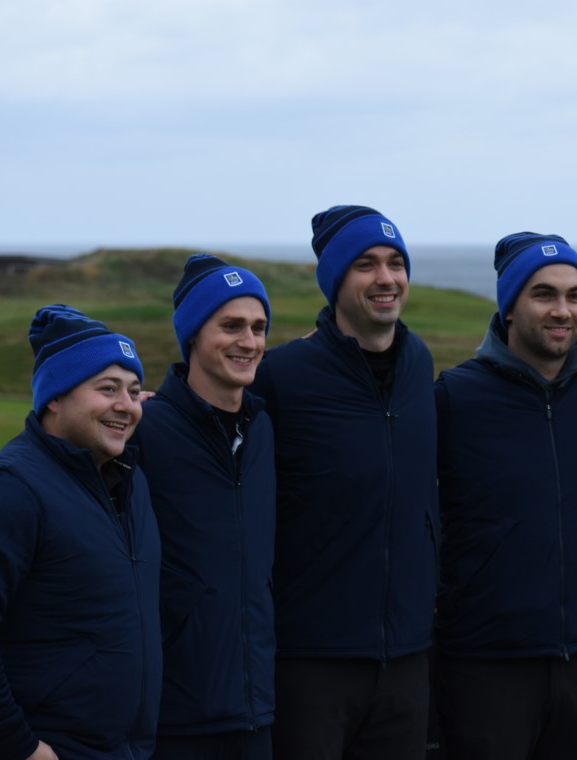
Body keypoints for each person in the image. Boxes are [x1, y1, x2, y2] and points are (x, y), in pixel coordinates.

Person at [433, 232, 577, 759]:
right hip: (483, 663)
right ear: (509, 306)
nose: (563, 310)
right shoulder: (455, 396)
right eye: (544, 294)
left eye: (575, 296)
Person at [0, 304, 161, 760]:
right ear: (55, 397)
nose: (126, 405)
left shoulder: (128, 484)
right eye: (107, 388)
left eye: (134, 392)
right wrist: (21, 746)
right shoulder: (8, 488)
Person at [251, 205, 439, 760]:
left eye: (396, 262)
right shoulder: (281, 376)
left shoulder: (418, 362)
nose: (386, 278)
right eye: (365, 264)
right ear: (335, 281)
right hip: (311, 661)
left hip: (406, 658)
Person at [135, 254, 276, 760]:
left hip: (256, 710)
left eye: (259, 327)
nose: (250, 341)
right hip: (174, 715)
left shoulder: (262, 430)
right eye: (231, 326)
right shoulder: (144, 431)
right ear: (194, 333)